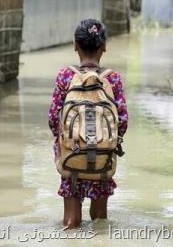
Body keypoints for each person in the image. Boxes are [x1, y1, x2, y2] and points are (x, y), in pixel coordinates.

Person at [48, 19, 128, 228]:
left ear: (75, 45)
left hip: (72, 154)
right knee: (100, 220)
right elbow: (123, 122)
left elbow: (53, 119)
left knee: (71, 222)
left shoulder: (66, 76)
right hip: (103, 157)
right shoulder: (113, 79)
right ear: (104, 46)